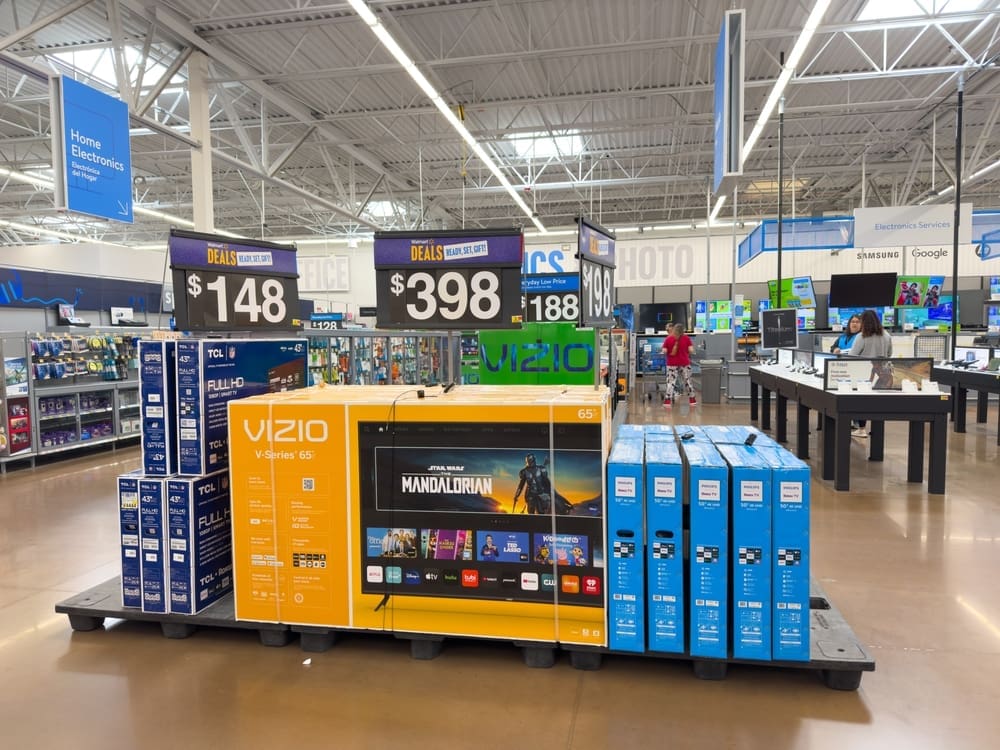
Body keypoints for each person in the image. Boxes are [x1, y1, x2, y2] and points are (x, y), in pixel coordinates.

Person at [848, 309, 894, 438]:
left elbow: (852, 355)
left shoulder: (862, 336)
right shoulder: (886, 335)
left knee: (861, 401)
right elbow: (890, 353)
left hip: (865, 372)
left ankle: (861, 428)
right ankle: (877, 432)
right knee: (877, 402)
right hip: (884, 373)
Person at [661, 322, 696, 408]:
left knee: (670, 382)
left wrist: (667, 351)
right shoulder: (686, 338)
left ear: (674, 329)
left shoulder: (668, 339)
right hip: (684, 363)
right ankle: (692, 400)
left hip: (672, 364)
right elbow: (691, 350)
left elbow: (664, 351)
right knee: (688, 381)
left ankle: (667, 401)